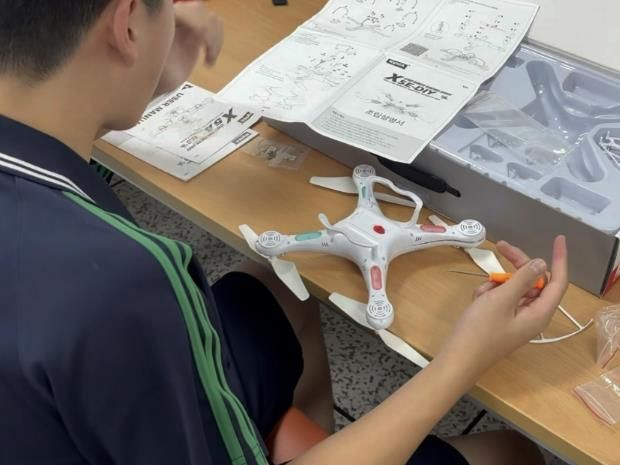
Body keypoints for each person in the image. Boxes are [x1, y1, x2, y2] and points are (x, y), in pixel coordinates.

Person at [0, 1, 568, 465]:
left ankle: (303, 437)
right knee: (512, 451)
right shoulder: (129, 280)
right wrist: (464, 359)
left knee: (277, 285)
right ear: (125, 24)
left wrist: (146, 67)